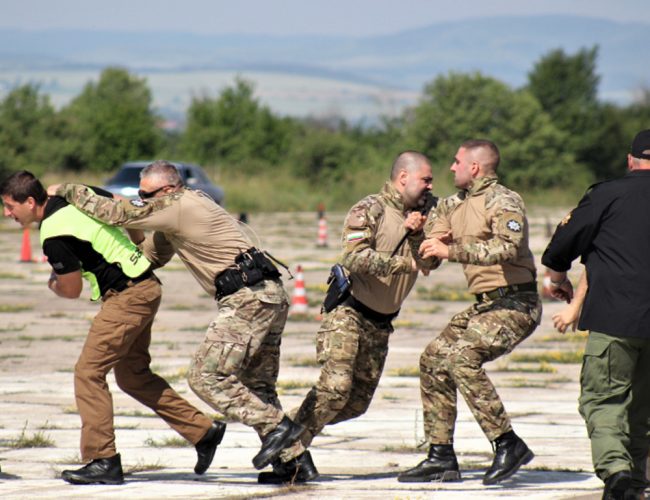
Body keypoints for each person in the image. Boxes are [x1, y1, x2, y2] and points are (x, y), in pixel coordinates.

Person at [51, 160, 303, 472]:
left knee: (205, 377)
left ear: (169, 189)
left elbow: (118, 213)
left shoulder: (178, 205)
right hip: (269, 295)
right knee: (257, 387)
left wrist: (66, 189)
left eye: (147, 195)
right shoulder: (182, 211)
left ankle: (279, 426)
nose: (143, 201)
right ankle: (294, 464)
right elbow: (148, 258)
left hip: (247, 299)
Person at [0, 171, 224, 485]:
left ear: (31, 201)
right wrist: (134, 246)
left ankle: (102, 459)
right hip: (146, 286)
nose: (7, 214)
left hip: (127, 298)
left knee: (88, 373)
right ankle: (203, 432)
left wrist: (53, 283)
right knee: (132, 376)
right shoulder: (74, 196)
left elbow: (71, 288)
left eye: (10, 207)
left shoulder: (52, 234)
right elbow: (121, 205)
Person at [259, 151, 436, 484]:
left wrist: (415, 234)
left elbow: (432, 261)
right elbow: (354, 257)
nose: (430, 186)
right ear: (403, 178)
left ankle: (285, 438)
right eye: (425, 179)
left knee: (355, 404)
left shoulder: (427, 215)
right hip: (349, 311)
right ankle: (288, 453)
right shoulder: (370, 209)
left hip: (381, 323)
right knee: (335, 389)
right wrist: (406, 263)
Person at [399, 140, 541, 485]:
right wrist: (419, 236)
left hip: (516, 303)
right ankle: (440, 456)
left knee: (463, 357)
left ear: (474, 167)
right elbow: (430, 260)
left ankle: (507, 443)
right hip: (485, 305)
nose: (451, 168)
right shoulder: (451, 205)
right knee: (433, 358)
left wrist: (452, 249)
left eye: (457, 161)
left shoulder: (503, 200)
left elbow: (506, 248)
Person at [542, 129, 650, 500]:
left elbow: (563, 244)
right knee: (641, 409)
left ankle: (617, 472)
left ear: (630, 160)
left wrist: (557, 276)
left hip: (613, 320)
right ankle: (635, 483)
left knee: (603, 401)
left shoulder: (606, 194)